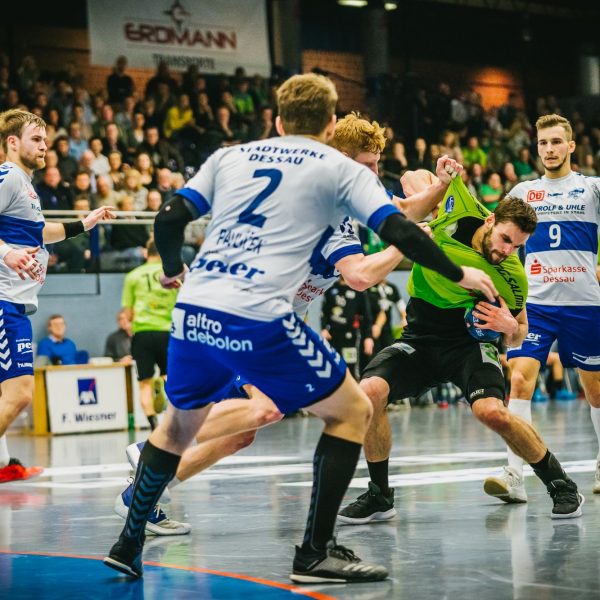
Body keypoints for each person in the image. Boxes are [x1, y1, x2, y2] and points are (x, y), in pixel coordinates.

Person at [104, 73, 494, 583]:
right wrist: (458, 271)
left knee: (194, 427)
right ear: (330, 125)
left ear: (276, 120)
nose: (374, 174)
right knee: (352, 409)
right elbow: (382, 244)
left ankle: (128, 539)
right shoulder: (336, 171)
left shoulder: (231, 156)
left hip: (197, 305)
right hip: (261, 317)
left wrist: (174, 269)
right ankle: (314, 553)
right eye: (370, 166)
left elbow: (171, 214)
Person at [339, 173, 584, 525]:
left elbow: (519, 334)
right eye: (505, 239)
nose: (507, 251)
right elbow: (411, 177)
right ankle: (379, 496)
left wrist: (509, 327)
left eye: (517, 246)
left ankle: (561, 485)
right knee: (369, 392)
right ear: (490, 220)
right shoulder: (457, 208)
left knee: (492, 412)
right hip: (420, 337)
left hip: (469, 346)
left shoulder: (513, 276)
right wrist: (438, 178)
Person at [483, 114, 600, 501]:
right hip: (535, 305)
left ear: (571, 146)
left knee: (595, 391)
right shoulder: (523, 191)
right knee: (519, 381)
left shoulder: (591, 188)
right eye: (543, 143)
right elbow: (495, 237)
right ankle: (514, 475)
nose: (549, 149)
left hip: (584, 304)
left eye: (556, 142)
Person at [0, 109, 114, 483]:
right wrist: (7, 253)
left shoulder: (24, 185)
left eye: (45, 141)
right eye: (36, 139)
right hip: (4, 301)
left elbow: (39, 232)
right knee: (19, 394)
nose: (44, 146)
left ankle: (3, 465)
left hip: (15, 302)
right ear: (12, 142)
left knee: (7, 393)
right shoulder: (9, 176)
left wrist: (84, 223)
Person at [121, 239, 178, 431]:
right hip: (167, 331)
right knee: (170, 376)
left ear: (146, 253)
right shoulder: (173, 275)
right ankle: (172, 417)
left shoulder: (133, 276)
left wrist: (131, 322)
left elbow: (128, 313)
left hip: (143, 332)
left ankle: (154, 425)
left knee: (144, 383)